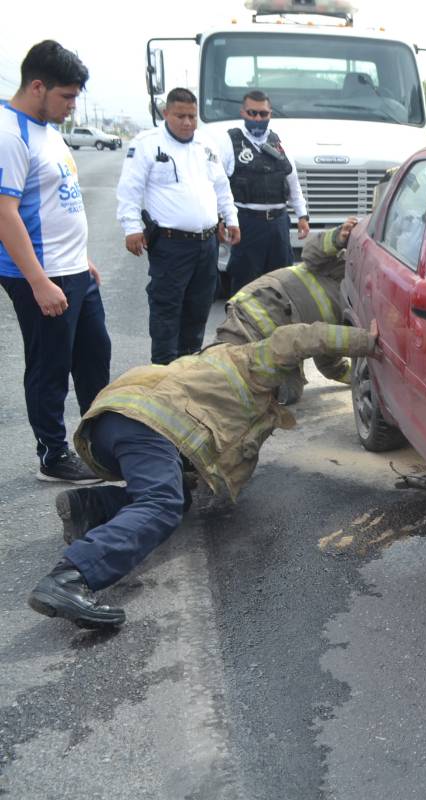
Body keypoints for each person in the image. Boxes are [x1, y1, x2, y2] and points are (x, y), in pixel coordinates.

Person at [27, 320, 379, 628]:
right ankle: (71, 576)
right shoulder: (252, 361)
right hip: (148, 422)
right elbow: (301, 337)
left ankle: (89, 506)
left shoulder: (212, 367)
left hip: (110, 424)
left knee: (176, 496)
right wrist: (369, 341)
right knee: (162, 504)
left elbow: (215, 466)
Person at [0, 41, 110, 484]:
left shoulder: (48, 127)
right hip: (43, 276)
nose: (72, 105)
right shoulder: (10, 133)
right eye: (66, 96)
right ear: (38, 86)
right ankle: (53, 454)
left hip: (74, 270)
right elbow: (5, 214)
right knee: (49, 366)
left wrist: (82, 258)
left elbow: (55, 200)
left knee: (94, 356)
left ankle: (102, 441)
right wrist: (39, 282)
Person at [117, 87, 240, 365]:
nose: (187, 123)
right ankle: (163, 372)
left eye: (192, 117)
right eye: (180, 116)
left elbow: (221, 186)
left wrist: (230, 218)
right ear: (166, 114)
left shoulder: (205, 145)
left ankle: (189, 366)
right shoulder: (148, 143)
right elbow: (130, 190)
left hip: (207, 243)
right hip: (171, 245)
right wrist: (131, 227)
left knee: (198, 308)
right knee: (167, 309)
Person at [214, 217, 357, 404]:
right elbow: (311, 252)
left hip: (285, 339)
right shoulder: (342, 265)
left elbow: (328, 356)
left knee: (289, 393)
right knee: (220, 373)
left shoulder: (358, 308)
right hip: (258, 310)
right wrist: (338, 236)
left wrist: (355, 379)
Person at [215, 90, 309, 294]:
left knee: (281, 285)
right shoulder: (229, 142)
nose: (258, 118)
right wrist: (220, 219)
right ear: (243, 113)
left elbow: (292, 181)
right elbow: (218, 184)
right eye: (252, 113)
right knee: (245, 287)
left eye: (263, 114)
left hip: (278, 225)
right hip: (247, 224)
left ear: (270, 115)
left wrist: (302, 215)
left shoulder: (277, 142)